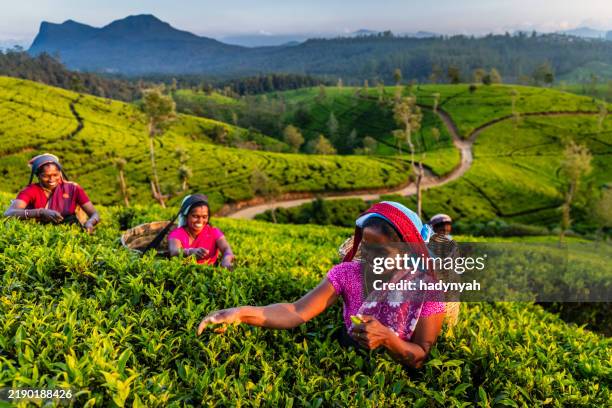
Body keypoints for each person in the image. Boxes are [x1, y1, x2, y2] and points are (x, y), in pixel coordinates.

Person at [197, 202, 446, 368]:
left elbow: (420, 355)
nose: (370, 258)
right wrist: (240, 313)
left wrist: (388, 340)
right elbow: (296, 311)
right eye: (366, 247)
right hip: (348, 359)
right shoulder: (348, 274)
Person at [4, 153, 100, 233]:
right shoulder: (30, 191)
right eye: (46, 176)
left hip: (71, 232)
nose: (52, 179)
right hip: (41, 233)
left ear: (60, 173)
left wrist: (90, 222)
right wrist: (40, 212)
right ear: (38, 175)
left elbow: (94, 213)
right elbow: (9, 213)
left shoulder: (73, 188)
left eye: (55, 175)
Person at [168, 194, 235, 269]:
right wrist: (189, 252)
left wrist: (226, 260)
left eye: (204, 217)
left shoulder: (214, 232)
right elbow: (174, 251)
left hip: (210, 274)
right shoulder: (177, 234)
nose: (200, 221)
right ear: (186, 216)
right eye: (195, 216)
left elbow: (226, 249)